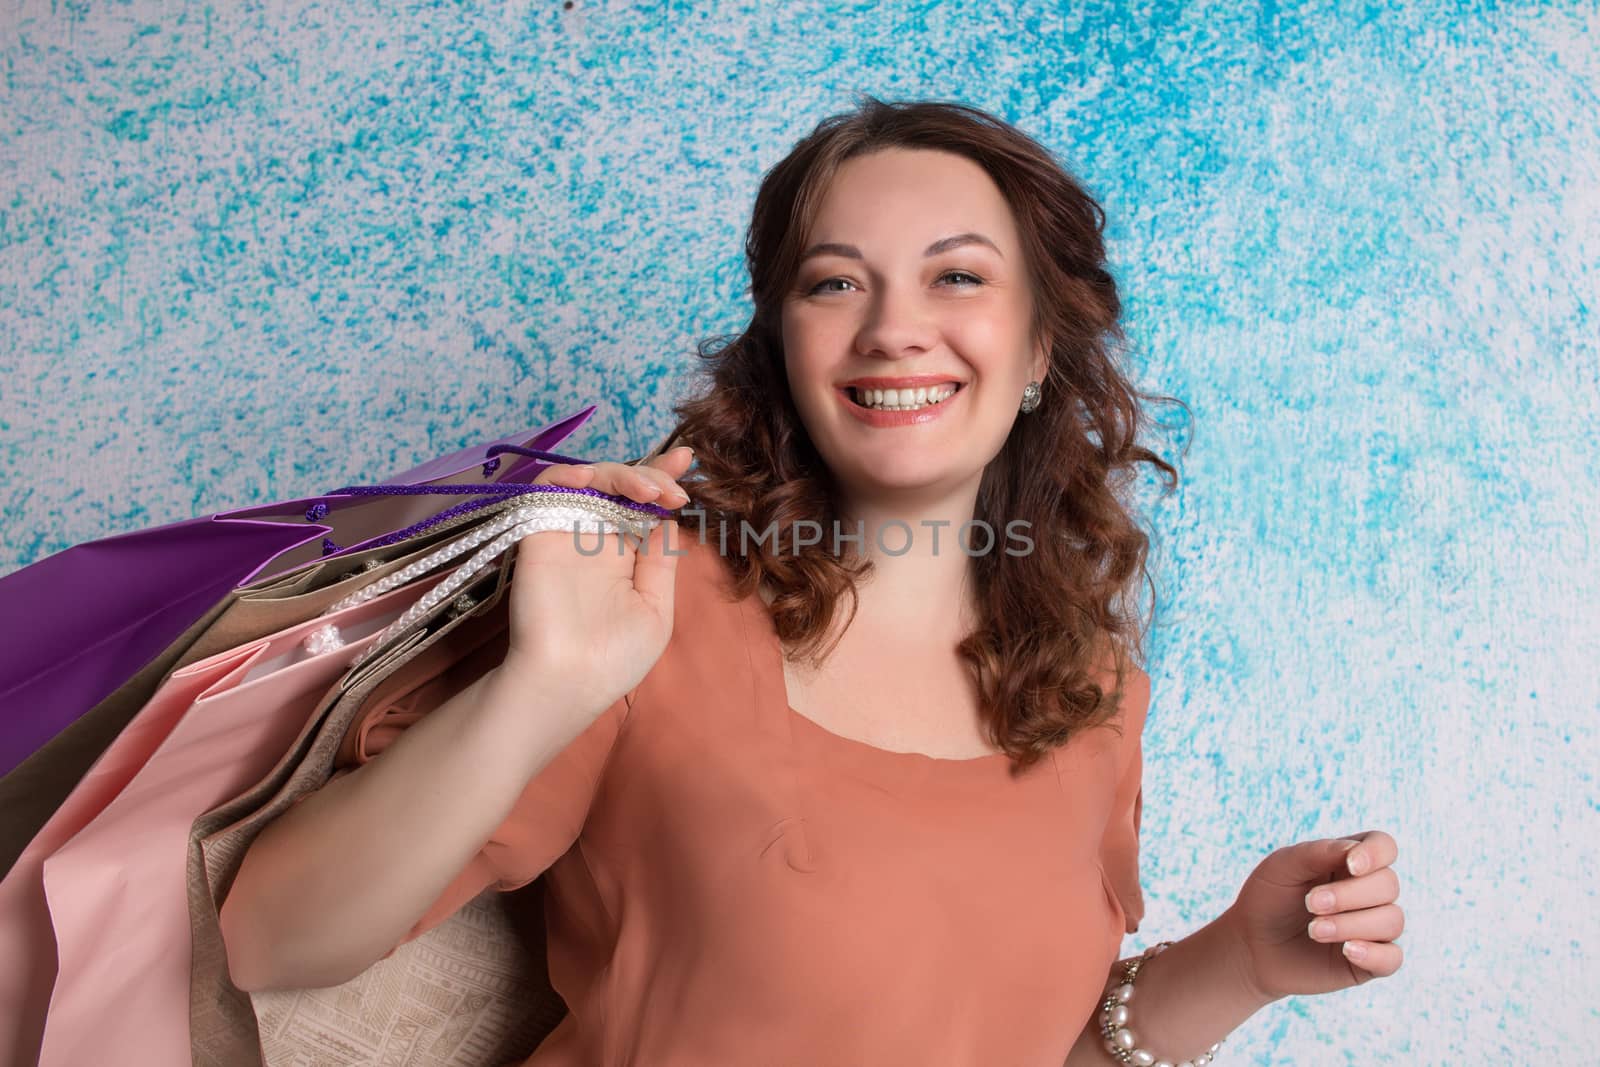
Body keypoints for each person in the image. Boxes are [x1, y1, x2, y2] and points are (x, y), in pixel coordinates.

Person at [218, 96, 1404, 1065]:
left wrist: (1245, 959)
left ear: (1042, 350)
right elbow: (264, 943)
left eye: (956, 277)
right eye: (834, 282)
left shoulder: (1091, 686)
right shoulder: (645, 605)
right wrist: (544, 683)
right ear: (782, 348)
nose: (893, 327)